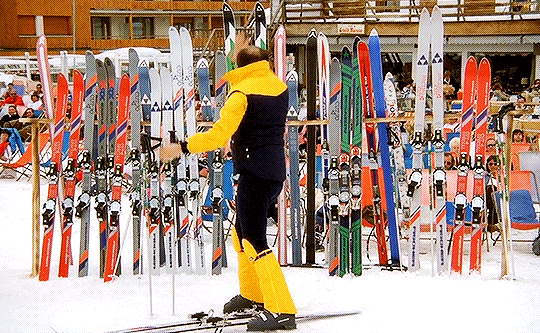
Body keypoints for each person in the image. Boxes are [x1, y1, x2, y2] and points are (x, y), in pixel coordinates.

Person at [160, 43, 296, 331]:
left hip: (254, 174)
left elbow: (218, 134)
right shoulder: (278, 87)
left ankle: (281, 309)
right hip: (272, 171)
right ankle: (253, 294)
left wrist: (182, 147)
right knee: (242, 233)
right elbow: (259, 128)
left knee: (254, 240)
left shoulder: (241, 93)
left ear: (240, 67)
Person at [485, 155, 500, 233]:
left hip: (500, 195)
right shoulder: (485, 176)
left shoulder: (502, 176)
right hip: (488, 196)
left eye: (495, 164)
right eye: (490, 164)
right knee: (490, 190)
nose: (493, 166)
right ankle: (492, 223)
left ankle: (491, 223)